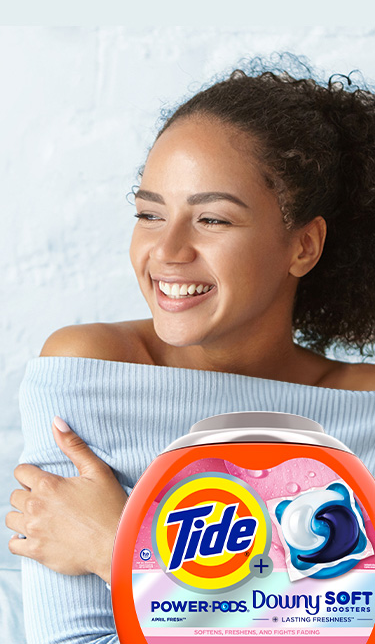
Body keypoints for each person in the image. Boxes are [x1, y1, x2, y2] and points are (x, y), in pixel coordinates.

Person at [6, 54, 375, 644]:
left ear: (304, 246)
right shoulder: (91, 372)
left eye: (211, 220)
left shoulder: (366, 415)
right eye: (149, 213)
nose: (167, 251)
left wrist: (117, 546)